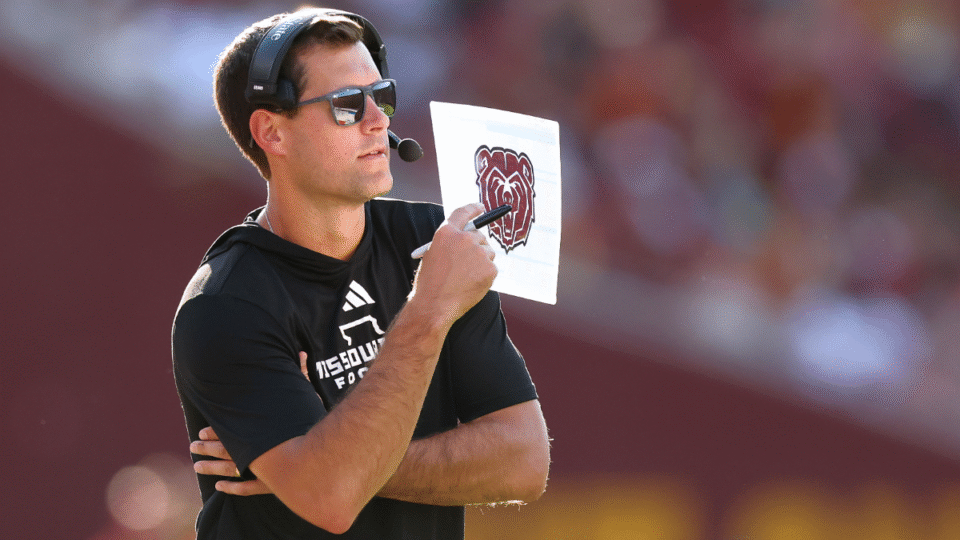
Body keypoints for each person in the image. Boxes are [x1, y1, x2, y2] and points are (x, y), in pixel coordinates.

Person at [171, 7, 550, 539]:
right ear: (272, 133)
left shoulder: (432, 238)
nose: (380, 120)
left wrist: (321, 459)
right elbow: (332, 499)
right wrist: (430, 308)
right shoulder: (225, 303)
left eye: (384, 95)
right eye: (347, 105)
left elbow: (523, 463)